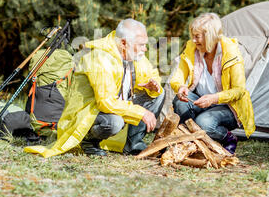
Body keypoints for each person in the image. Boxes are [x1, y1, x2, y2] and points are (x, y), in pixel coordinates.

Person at [25, 18, 165, 158]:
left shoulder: (134, 55)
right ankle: (88, 141)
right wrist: (141, 112)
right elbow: (105, 102)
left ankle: (132, 144)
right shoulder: (100, 58)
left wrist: (153, 87)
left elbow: (152, 74)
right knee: (115, 122)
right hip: (91, 112)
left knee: (158, 94)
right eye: (141, 45)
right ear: (123, 43)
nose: (145, 49)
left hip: (115, 107)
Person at [170, 13, 255, 154]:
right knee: (180, 102)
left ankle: (227, 138)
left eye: (197, 36)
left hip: (227, 107)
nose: (193, 40)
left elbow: (239, 91)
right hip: (200, 101)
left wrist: (214, 98)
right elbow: (177, 76)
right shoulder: (192, 49)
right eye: (193, 35)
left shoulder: (231, 53)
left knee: (204, 123)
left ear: (210, 36)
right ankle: (191, 141)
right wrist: (180, 87)